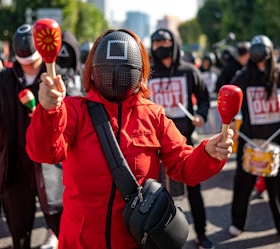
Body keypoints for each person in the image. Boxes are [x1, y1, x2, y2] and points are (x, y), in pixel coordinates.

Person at [25, 28, 234, 249]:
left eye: (123, 70)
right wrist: (48, 111)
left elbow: (184, 166)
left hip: (135, 241)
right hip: (80, 241)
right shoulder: (74, 110)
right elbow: (44, 152)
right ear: (93, 70)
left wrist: (208, 153)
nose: (115, 75)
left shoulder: (153, 115)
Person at [0, 24, 61, 249]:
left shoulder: (54, 76)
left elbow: (67, 122)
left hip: (49, 168)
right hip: (15, 167)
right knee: (19, 234)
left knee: (62, 229)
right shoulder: (1, 79)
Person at [148, 28, 214, 249]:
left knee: (194, 189)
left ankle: (202, 234)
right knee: (153, 196)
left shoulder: (188, 71)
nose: (160, 47)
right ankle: (156, 241)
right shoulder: (148, 73)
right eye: (155, 43)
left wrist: (201, 115)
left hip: (185, 143)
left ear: (174, 44)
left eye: (164, 42)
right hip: (153, 147)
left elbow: (204, 97)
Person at [228, 34, 280, 237]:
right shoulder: (244, 75)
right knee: (243, 185)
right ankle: (237, 222)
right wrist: (230, 119)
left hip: (276, 141)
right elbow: (229, 93)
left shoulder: (277, 73)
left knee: (276, 188)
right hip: (250, 140)